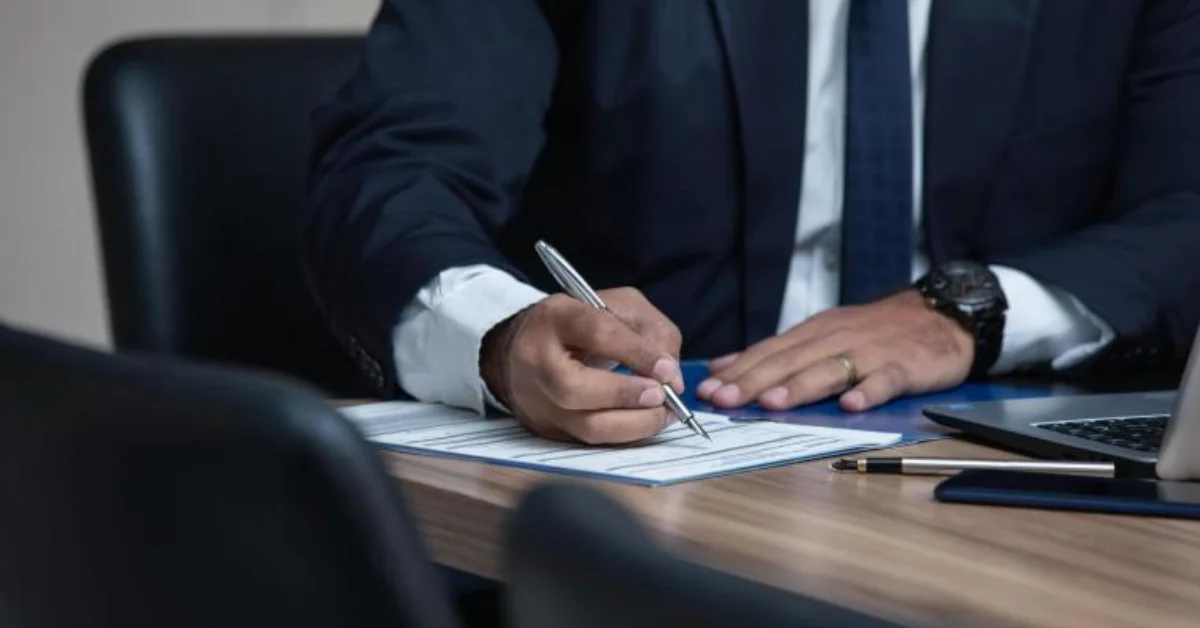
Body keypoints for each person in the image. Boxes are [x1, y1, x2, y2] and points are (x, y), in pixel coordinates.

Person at [304, 0, 1200, 445]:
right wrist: (501, 335)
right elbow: (393, 172)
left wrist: (970, 309)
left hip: (990, 475)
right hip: (649, 470)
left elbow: (1185, 211)